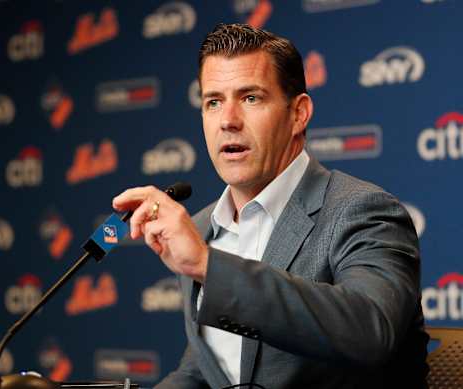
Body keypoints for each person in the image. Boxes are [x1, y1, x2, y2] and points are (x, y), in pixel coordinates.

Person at [112, 23, 428, 389]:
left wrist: (207, 265)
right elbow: (203, 372)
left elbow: (371, 329)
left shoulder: (362, 210)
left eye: (251, 98)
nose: (228, 121)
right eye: (213, 101)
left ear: (298, 114)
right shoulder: (202, 228)